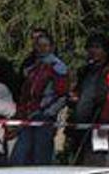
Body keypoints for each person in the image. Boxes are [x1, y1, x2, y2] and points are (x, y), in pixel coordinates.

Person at [11, 32, 68, 165]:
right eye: (39, 45)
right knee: (19, 157)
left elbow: (62, 94)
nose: (41, 49)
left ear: (52, 47)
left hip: (44, 117)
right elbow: (25, 93)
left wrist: (49, 112)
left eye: (45, 45)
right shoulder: (33, 67)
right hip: (29, 116)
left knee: (40, 157)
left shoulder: (58, 67)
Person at [69, 34, 109, 166]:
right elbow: (78, 91)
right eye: (90, 47)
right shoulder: (85, 71)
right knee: (81, 157)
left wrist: (104, 121)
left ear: (105, 50)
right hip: (82, 121)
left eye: (97, 47)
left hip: (101, 122)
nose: (93, 51)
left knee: (98, 157)